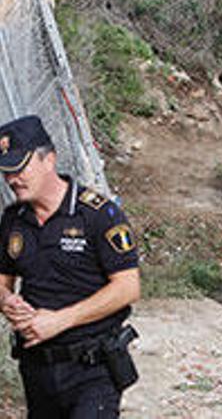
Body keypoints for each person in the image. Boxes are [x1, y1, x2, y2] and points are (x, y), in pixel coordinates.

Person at [0, 115, 140, 418]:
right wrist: (7, 300)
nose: (12, 179)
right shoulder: (13, 219)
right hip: (37, 367)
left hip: (92, 368)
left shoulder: (99, 215)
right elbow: (2, 279)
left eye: (20, 168)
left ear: (49, 159)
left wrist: (60, 321)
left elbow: (128, 287)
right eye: (6, 172)